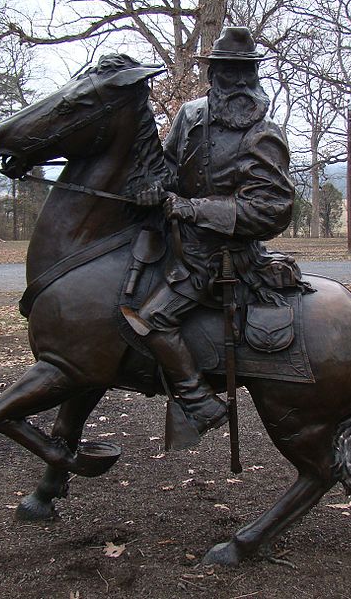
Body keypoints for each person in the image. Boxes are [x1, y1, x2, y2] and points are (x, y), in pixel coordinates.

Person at [122, 27, 294, 437]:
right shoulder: (189, 115)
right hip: (176, 242)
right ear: (212, 74)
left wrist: (194, 208)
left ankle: (199, 400)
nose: (234, 81)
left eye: (242, 73)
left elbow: (273, 210)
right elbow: (167, 168)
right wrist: (153, 188)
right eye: (225, 72)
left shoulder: (263, 135)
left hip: (220, 257)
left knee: (153, 319)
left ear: (253, 77)